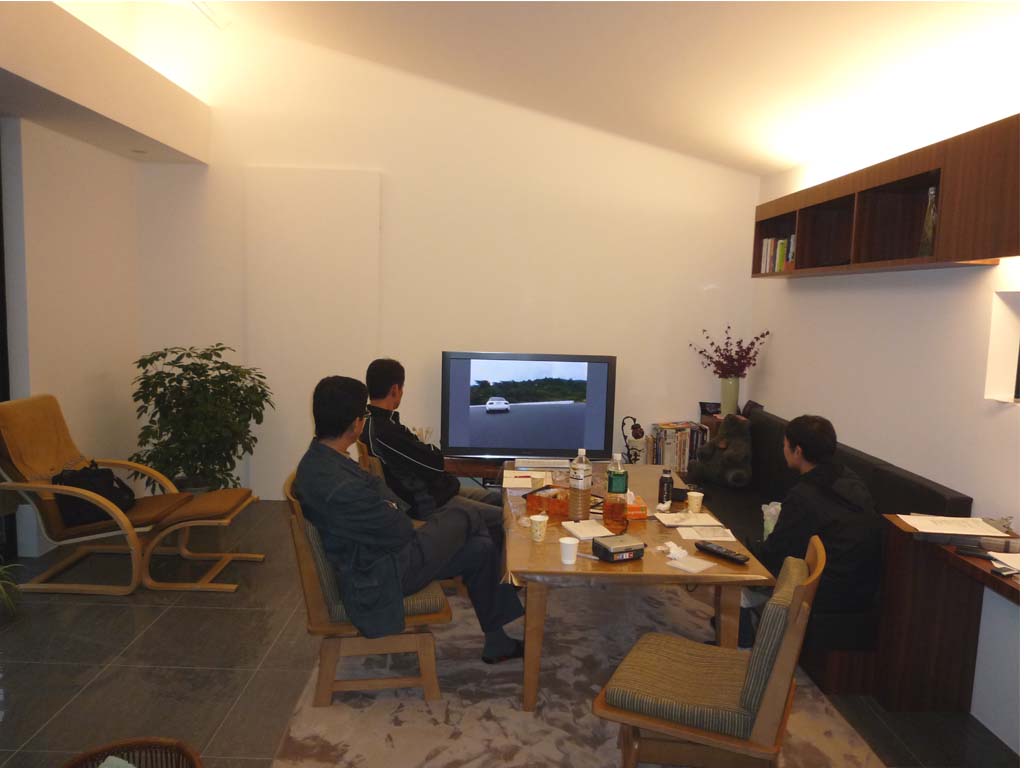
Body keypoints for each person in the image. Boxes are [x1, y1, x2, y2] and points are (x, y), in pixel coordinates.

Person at [294, 375, 524, 662]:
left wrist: (388, 503)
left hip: (376, 555)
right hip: (380, 575)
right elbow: (401, 528)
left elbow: (379, 488)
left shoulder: (322, 460)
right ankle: (510, 590)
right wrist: (390, 505)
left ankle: (497, 642)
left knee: (480, 547)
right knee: (466, 514)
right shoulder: (339, 484)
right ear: (355, 423)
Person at [739, 414, 882, 645]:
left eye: (784, 445)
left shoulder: (805, 496)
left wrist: (742, 550)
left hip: (825, 589)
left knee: (742, 575)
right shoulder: (850, 478)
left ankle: (743, 643)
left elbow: (777, 552)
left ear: (798, 451)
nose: (783, 449)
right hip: (863, 585)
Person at [362, 358, 503, 520]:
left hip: (439, 493)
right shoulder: (386, 430)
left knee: (499, 499)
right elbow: (435, 463)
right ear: (395, 389)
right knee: (505, 517)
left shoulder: (369, 422)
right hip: (431, 503)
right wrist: (425, 449)